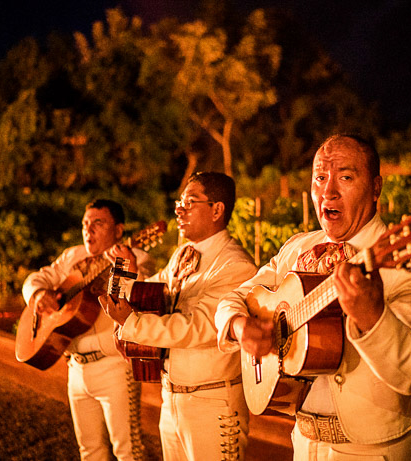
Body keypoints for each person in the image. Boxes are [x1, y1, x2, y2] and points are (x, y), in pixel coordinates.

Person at [215, 134, 411, 460]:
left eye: (346, 178)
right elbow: (232, 300)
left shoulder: (406, 259)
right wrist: (239, 326)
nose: (329, 191)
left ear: (376, 187)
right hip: (303, 442)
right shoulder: (296, 249)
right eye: (320, 178)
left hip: (370, 452)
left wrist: (374, 317)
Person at [103, 172, 258, 461]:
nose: (179, 209)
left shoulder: (235, 265)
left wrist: (132, 324)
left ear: (217, 209)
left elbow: (198, 327)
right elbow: (153, 295)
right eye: (179, 202)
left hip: (212, 404)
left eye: (189, 202)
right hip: (172, 398)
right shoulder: (184, 254)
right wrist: (127, 272)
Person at [22, 199, 154, 461]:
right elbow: (37, 278)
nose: (88, 230)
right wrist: (37, 295)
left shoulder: (137, 258)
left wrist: (129, 270)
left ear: (119, 230)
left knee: (129, 452)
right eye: (85, 224)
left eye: (98, 223)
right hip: (76, 369)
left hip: (114, 368)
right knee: (90, 452)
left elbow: (141, 300)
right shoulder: (73, 256)